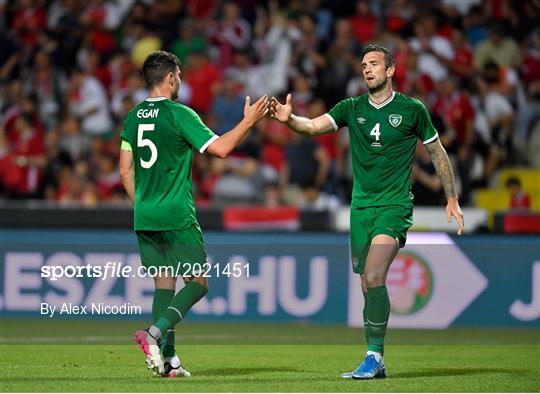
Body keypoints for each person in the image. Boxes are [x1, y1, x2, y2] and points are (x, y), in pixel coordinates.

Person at [270, 44, 464, 379]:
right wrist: (291, 121)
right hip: (360, 209)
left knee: (374, 275)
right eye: (363, 65)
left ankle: (373, 356)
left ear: (390, 70)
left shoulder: (411, 109)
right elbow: (313, 126)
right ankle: (377, 359)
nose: (366, 69)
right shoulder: (351, 108)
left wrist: (451, 196)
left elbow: (436, 151)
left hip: (394, 206)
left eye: (374, 64)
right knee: (366, 282)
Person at [119, 51, 268, 377]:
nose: (181, 81)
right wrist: (248, 121)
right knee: (198, 283)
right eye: (180, 75)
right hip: (175, 214)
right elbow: (222, 149)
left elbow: (125, 171)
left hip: (145, 216)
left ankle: (169, 362)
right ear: (171, 78)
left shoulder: (132, 117)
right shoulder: (179, 114)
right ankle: (154, 333)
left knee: (164, 285)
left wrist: (142, 204)